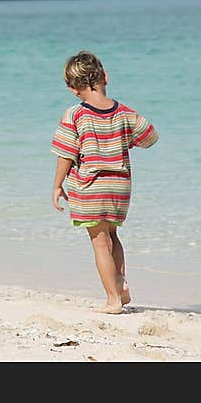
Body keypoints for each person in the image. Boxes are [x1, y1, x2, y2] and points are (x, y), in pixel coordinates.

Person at [51, 51, 158, 314]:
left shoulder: (75, 114)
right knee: (112, 235)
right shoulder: (124, 112)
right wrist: (124, 139)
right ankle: (120, 285)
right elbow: (150, 137)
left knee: (99, 242)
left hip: (91, 186)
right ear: (105, 77)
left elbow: (66, 153)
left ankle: (113, 300)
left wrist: (57, 185)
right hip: (119, 186)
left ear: (73, 89)